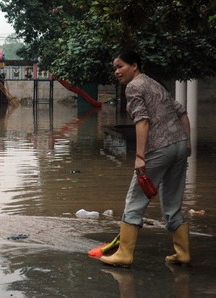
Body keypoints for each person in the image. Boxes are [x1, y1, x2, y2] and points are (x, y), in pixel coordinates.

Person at [100, 51, 192, 268]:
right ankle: (183, 253)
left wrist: (140, 156)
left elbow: (142, 122)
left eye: (121, 66)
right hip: (179, 146)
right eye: (115, 68)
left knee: (135, 200)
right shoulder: (155, 84)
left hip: (158, 149)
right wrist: (186, 143)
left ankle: (124, 254)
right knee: (172, 203)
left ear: (134, 66)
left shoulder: (133, 86)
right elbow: (182, 113)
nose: (117, 71)